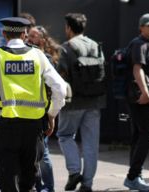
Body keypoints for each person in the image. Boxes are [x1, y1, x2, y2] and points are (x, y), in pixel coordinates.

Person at [0, 16, 68, 192]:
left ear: (4, 34)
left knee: (6, 178)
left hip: (7, 126)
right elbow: (60, 88)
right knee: (29, 179)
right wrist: (51, 114)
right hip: (33, 127)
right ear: (25, 34)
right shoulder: (38, 55)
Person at [56, 13, 106, 192]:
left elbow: (60, 76)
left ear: (69, 28)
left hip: (73, 103)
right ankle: (87, 185)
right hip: (94, 102)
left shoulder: (66, 48)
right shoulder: (96, 46)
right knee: (91, 144)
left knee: (65, 135)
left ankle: (74, 170)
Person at [124, 13, 149, 192]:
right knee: (145, 135)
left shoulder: (146, 44)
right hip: (141, 97)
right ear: (141, 27)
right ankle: (133, 177)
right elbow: (136, 69)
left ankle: (135, 175)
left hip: (141, 96)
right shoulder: (139, 44)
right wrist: (145, 92)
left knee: (139, 136)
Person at [28, 25, 61, 192]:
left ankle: (47, 186)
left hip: (43, 111)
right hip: (31, 111)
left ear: (42, 40)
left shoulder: (45, 58)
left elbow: (55, 88)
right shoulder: (30, 56)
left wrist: (51, 113)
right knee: (36, 152)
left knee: (43, 153)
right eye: (28, 35)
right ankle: (38, 185)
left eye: (33, 36)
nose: (28, 38)